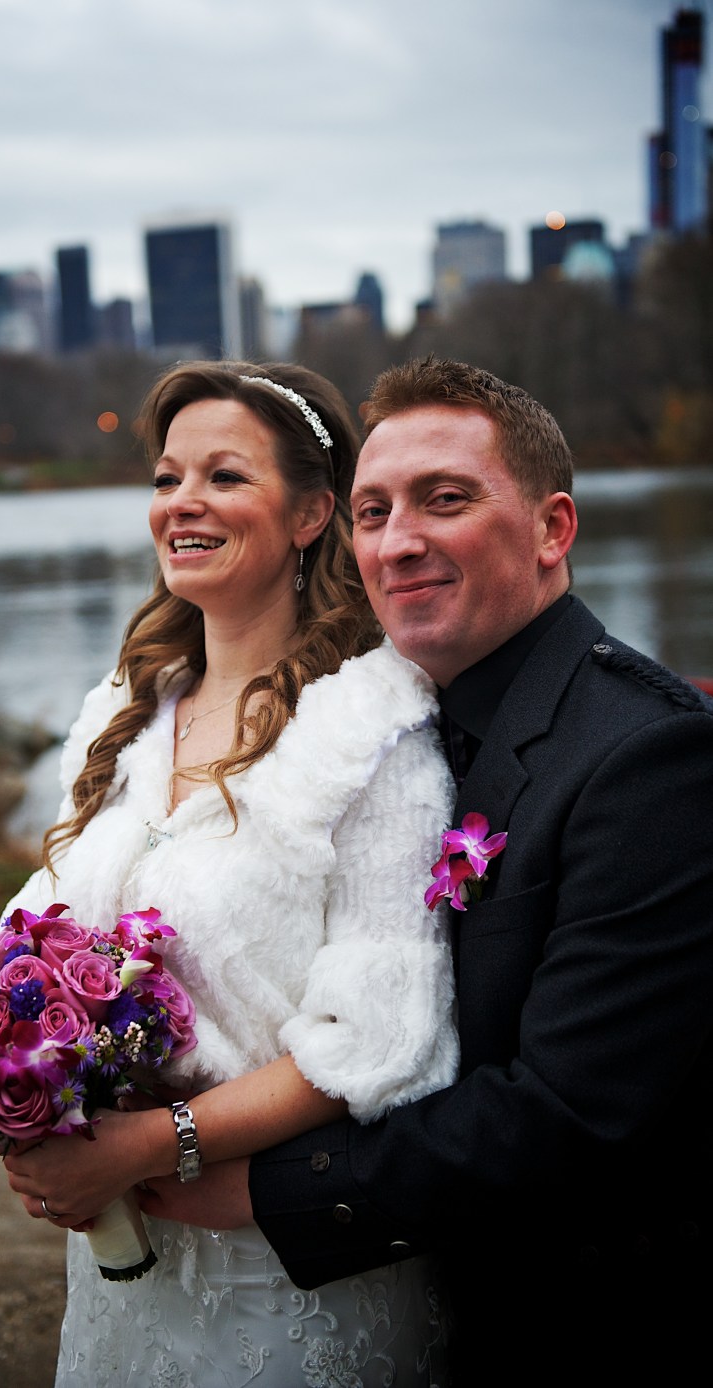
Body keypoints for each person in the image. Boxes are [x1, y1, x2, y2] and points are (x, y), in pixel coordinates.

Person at [137, 357, 713, 1386]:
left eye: (446, 500)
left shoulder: (649, 757)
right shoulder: (379, 727)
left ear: (553, 529)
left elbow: (566, 1114)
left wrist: (249, 1185)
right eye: (373, 510)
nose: (398, 541)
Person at [1, 361, 459, 1386]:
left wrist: (145, 1144)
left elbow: (378, 1042)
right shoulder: (126, 709)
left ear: (310, 513)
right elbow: (42, 930)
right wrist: (16, 1079)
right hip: (131, 1273)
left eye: (223, 476)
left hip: (290, 1269)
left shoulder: (372, 729)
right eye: (167, 479)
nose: (183, 504)